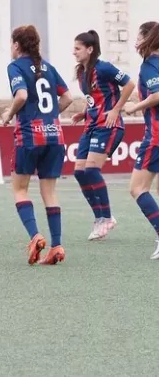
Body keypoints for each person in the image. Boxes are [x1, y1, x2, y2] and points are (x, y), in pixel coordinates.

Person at [2, 25, 73, 266]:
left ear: (16, 45)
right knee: (50, 192)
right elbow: (68, 97)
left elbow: (21, 95)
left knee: (20, 189)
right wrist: (51, 115)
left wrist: (9, 114)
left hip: (30, 136)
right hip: (55, 135)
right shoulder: (48, 67)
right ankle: (57, 245)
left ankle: (35, 236)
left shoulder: (15, 67)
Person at [69, 30, 135, 241]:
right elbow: (93, 99)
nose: (74, 52)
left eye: (77, 48)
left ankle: (107, 216)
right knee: (79, 172)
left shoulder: (104, 68)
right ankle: (99, 218)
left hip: (108, 125)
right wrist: (84, 112)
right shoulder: (81, 72)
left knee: (91, 169)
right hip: (90, 125)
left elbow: (130, 84)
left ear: (90, 49)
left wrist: (116, 110)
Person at [123, 21, 159, 259]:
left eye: (139, 35)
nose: (135, 40)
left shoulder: (150, 65)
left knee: (137, 188)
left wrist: (135, 107)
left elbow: (157, 94)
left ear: (148, 38)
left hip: (156, 136)